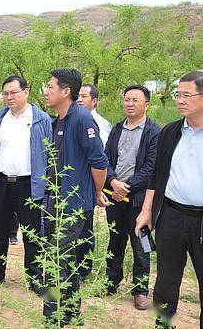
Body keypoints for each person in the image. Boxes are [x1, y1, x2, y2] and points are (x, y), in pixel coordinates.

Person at [135, 70, 203, 329]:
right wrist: (146, 212)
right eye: (178, 95)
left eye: (187, 95)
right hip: (171, 215)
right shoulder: (169, 133)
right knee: (166, 280)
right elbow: (156, 177)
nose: (180, 100)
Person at [42, 69, 108, 326]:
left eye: (50, 86)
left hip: (74, 203)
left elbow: (99, 162)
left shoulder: (82, 119)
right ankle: (70, 314)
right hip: (56, 201)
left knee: (55, 260)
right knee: (63, 260)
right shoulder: (59, 119)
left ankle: (54, 318)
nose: (46, 91)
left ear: (66, 91)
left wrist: (97, 192)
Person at [0, 75, 52, 292]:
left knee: (31, 234)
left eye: (13, 93)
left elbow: (49, 154)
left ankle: (35, 279)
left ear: (26, 92)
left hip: (29, 184)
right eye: (6, 94)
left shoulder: (41, 119)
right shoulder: (0, 118)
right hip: (3, 182)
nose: (9, 97)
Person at [103, 85, 160, 310]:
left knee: (141, 245)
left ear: (146, 104)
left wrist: (126, 186)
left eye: (135, 100)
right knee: (115, 242)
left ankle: (140, 290)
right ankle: (110, 282)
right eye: (127, 99)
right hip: (115, 197)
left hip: (140, 201)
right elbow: (105, 159)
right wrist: (113, 182)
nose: (130, 103)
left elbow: (151, 167)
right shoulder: (117, 129)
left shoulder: (154, 132)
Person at [75, 83, 113, 279]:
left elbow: (101, 158)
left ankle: (84, 268)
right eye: (78, 96)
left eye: (84, 96)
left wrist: (99, 189)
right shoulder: (73, 119)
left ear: (94, 101)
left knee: (85, 227)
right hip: (75, 182)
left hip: (91, 182)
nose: (80, 100)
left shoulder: (99, 123)